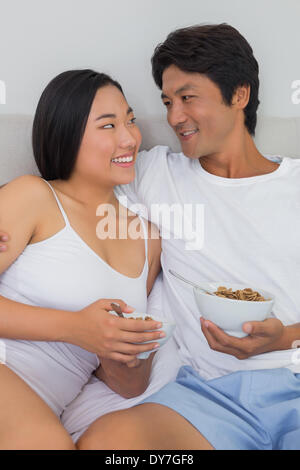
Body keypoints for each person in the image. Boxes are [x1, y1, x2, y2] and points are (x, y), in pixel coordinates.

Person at [58, 23, 300, 450]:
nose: (173, 117)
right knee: (109, 444)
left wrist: (282, 337)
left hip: (294, 380)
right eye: (168, 102)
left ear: (239, 95)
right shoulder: (155, 174)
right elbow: (68, 188)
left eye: (188, 98)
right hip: (210, 397)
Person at [0, 69, 177, 449]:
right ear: (67, 132)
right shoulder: (32, 197)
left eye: (130, 120)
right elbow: (80, 330)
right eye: (108, 125)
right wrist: (75, 327)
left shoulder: (148, 239)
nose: (130, 138)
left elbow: (125, 386)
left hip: (48, 405)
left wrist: (127, 356)